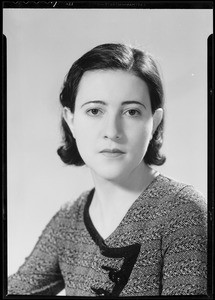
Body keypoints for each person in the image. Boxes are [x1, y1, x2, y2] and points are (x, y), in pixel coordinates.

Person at [8, 43, 207, 296]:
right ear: (71, 121)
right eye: (94, 110)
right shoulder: (69, 219)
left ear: (154, 122)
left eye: (131, 111)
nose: (112, 131)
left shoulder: (182, 212)